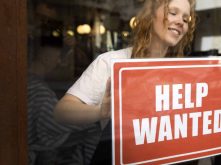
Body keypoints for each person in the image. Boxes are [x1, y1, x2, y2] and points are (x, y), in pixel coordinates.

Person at [54, 0, 196, 164]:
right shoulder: (111, 62)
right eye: (173, 13)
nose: (180, 21)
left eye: (186, 19)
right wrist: (101, 112)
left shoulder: (184, 71)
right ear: (150, 15)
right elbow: (61, 111)